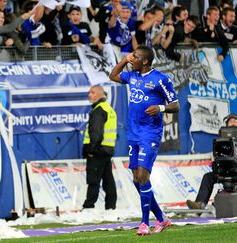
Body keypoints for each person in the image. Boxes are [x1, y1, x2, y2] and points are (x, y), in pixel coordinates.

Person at [109, 45, 180, 235]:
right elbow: (113, 76)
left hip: (150, 132)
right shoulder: (132, 76)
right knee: (136, 178)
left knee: (143, 176)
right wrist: (124, 60)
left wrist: (160, 108)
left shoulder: (160, 79)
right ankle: (162, 219)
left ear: (145, 61)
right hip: (133, 132)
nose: (133, 59)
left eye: (136, 57)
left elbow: (175, 105)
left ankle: (144, 223)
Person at [186, 114, 237, 209]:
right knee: (208, 177)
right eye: (230, 121)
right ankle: (200, 204)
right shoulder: (220, 141)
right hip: (224, 171)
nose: (232, 123)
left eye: (235, 121)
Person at [82, 85, 117, 210]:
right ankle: (111, 206)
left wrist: (91, 150)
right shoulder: (108, 109)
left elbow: (96, 134)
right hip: (106, 150)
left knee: (93, 181)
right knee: (108, 181)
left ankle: (88, 207)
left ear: (101, 95)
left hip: (97, 151)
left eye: (93, 92)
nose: (89, 95)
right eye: (89, 92)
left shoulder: (99, 110)